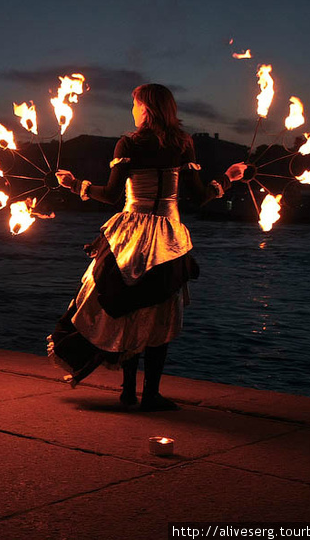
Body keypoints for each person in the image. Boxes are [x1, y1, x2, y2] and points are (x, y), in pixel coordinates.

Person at [49, 84, 246, 411]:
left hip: (132, 236)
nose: (133, 109)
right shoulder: (184, 144)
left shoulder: (128, 143)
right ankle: (151, 394)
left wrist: (75, 185)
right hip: (169, 238)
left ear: (147, 108)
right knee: (160, 314)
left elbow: (111, 195)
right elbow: (199, 197)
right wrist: (228, 178)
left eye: (136, 103)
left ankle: (127, 392)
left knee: (130, 309)